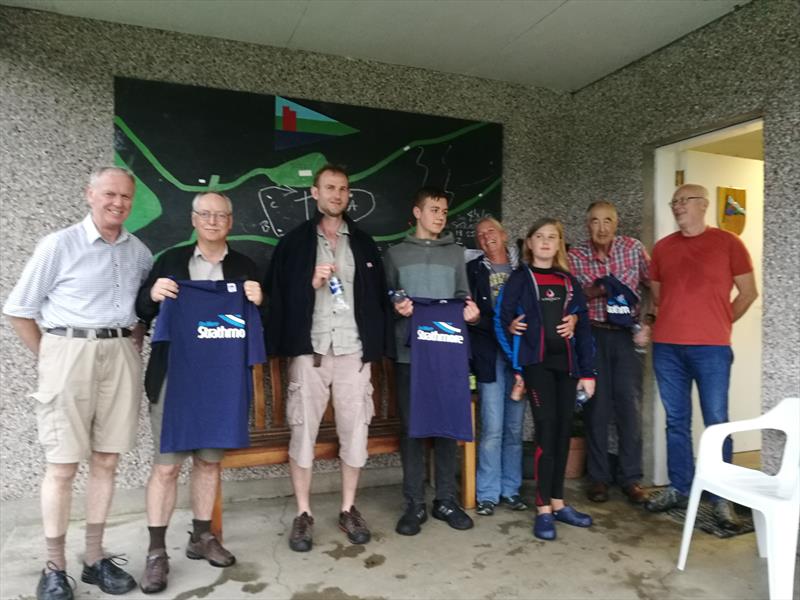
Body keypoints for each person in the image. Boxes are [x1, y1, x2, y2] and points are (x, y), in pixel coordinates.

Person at [3, 166, 152, 600]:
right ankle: (54, 566)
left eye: (125, 197)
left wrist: (132, 346)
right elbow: (19, 309)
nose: (118, 203)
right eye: (109, 194)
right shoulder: (59, 245)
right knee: (63, 466)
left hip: (120, 353)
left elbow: (141, 311)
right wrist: (51, 357)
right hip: (67, 353)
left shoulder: (139, 252)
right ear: (90, 194)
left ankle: (93, 559)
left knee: (106, 462)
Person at [134, 192, 263, 593]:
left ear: (231, 220)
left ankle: (202, 536)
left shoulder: (244, 267)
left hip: (221, 381)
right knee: (167, 467)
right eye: (205, 214)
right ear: (193, 219)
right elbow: (141, 308)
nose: (212, 220)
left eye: (220, 215)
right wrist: (153, 296)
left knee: (209, 463)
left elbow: (261, 320)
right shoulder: (170, 262)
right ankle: (156, 552)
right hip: (176, 377)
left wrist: (261, 299)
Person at [264, 164, 393, 552]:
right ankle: (303, 513)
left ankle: (348, 507)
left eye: (343, 189)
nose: (337, 195)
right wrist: (310, 283)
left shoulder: (365, 244)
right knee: (302, 430)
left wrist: (375, 346)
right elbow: (277, 296)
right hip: (312, 351)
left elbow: (377, 299)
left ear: (348, 196)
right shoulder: (295, 243)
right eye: (330, 188)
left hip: (353, 351)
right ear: (315, 193)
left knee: (356, 432)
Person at [645, 184, 758, 529]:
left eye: (684, 200)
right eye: (674, 201)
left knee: (717, 422)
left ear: (703, 205)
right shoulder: (663, 248)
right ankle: (680, 487)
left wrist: (722, 321)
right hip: (667, 347)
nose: (678, 206)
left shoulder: (728, 243)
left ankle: (721, 498)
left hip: (712, 349)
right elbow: (658, 298)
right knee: (676, 421)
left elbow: (748, 292)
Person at [384, 187, 480, 536]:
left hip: (448, 354)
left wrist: (470, 314)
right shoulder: (395, 254)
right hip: (410, 355)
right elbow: (388, 294)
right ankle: (414, 503)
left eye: (444, 210)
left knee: (445, 425)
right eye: (434, 209)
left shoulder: (456, 254)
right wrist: (398, 305)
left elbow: (461, 297)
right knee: (412, 429)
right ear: (417, 212)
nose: (440, 215)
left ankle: (446, 500)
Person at [495, 218, 595, 541]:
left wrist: (587, 372)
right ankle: (542, 509)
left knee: (564, 432)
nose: (546, 242)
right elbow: (502, 318)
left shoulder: (568, 281)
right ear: (530, 243)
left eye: (552, 237)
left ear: (560, 243)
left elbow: (583, 329)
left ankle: (559, 502)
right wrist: (515, 353)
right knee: (547, 431)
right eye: (539, 236)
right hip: (536, 366)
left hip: (566, 366)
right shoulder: (520, 279)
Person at [468, 218, 577, 515]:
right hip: (491, 356)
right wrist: (498, 323)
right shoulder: (473, 270)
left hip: (524, 358)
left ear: (505, 235)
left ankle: (511, 489)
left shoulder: (524, 271)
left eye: (491, 231)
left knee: (515, 427)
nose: (485, 237)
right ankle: (488, 493)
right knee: (492, 427)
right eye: (480, 234)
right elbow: (472, 313)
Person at [568, 201, 651, 505]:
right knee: (596, 408)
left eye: (607, 221)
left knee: (629, 408)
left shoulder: (633, 248)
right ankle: (599, 478)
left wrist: (649, 321)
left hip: (626, 336)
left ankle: (631, 478)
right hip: (593, 333)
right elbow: (573, 296)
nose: (601, 227)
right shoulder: (576, 255)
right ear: (587, 225)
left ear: (616, 224)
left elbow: (654, 283)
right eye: (594, 221)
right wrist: (600, 289)